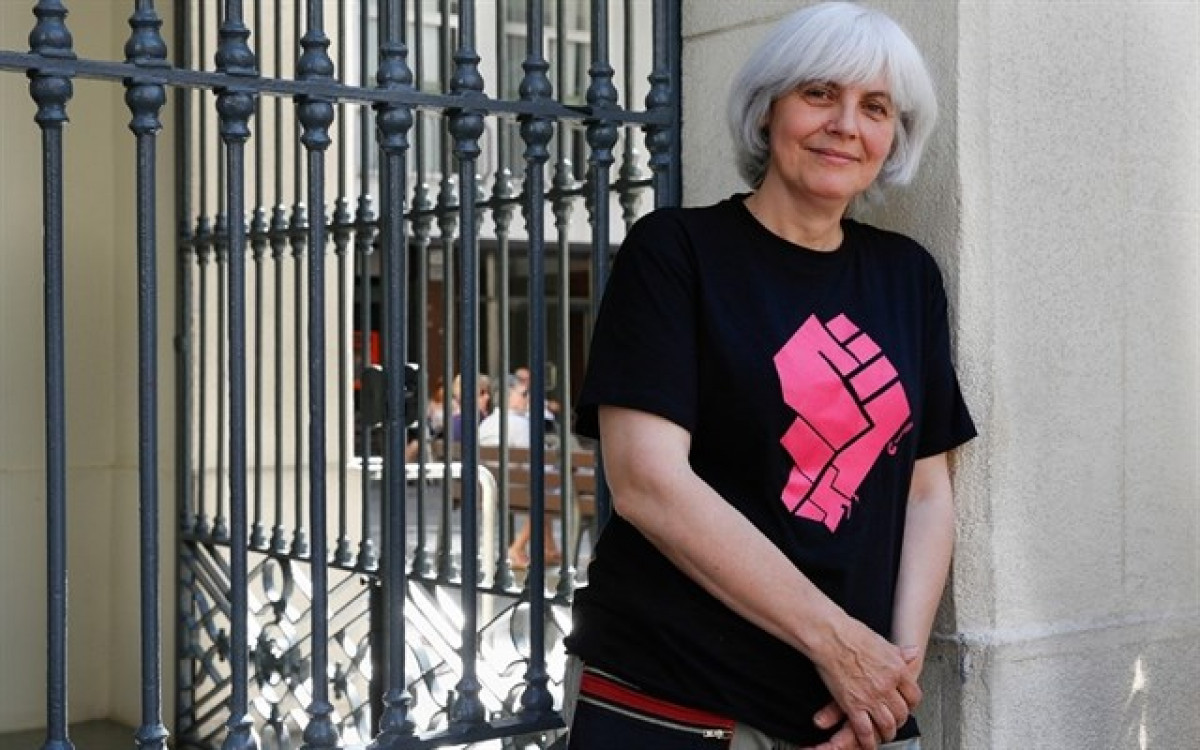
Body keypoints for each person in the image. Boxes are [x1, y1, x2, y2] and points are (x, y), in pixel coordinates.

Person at [562, 4, 976, 750]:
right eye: (819, 93)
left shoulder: (907, 278)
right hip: (676, 701)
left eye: (875, 107)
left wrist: (891, 678)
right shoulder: (675, 254)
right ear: (767, 109)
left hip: (855, 712)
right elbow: (649, 482)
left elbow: (925, 491)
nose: (845, 125)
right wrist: (838, 645)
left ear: (894, 137)